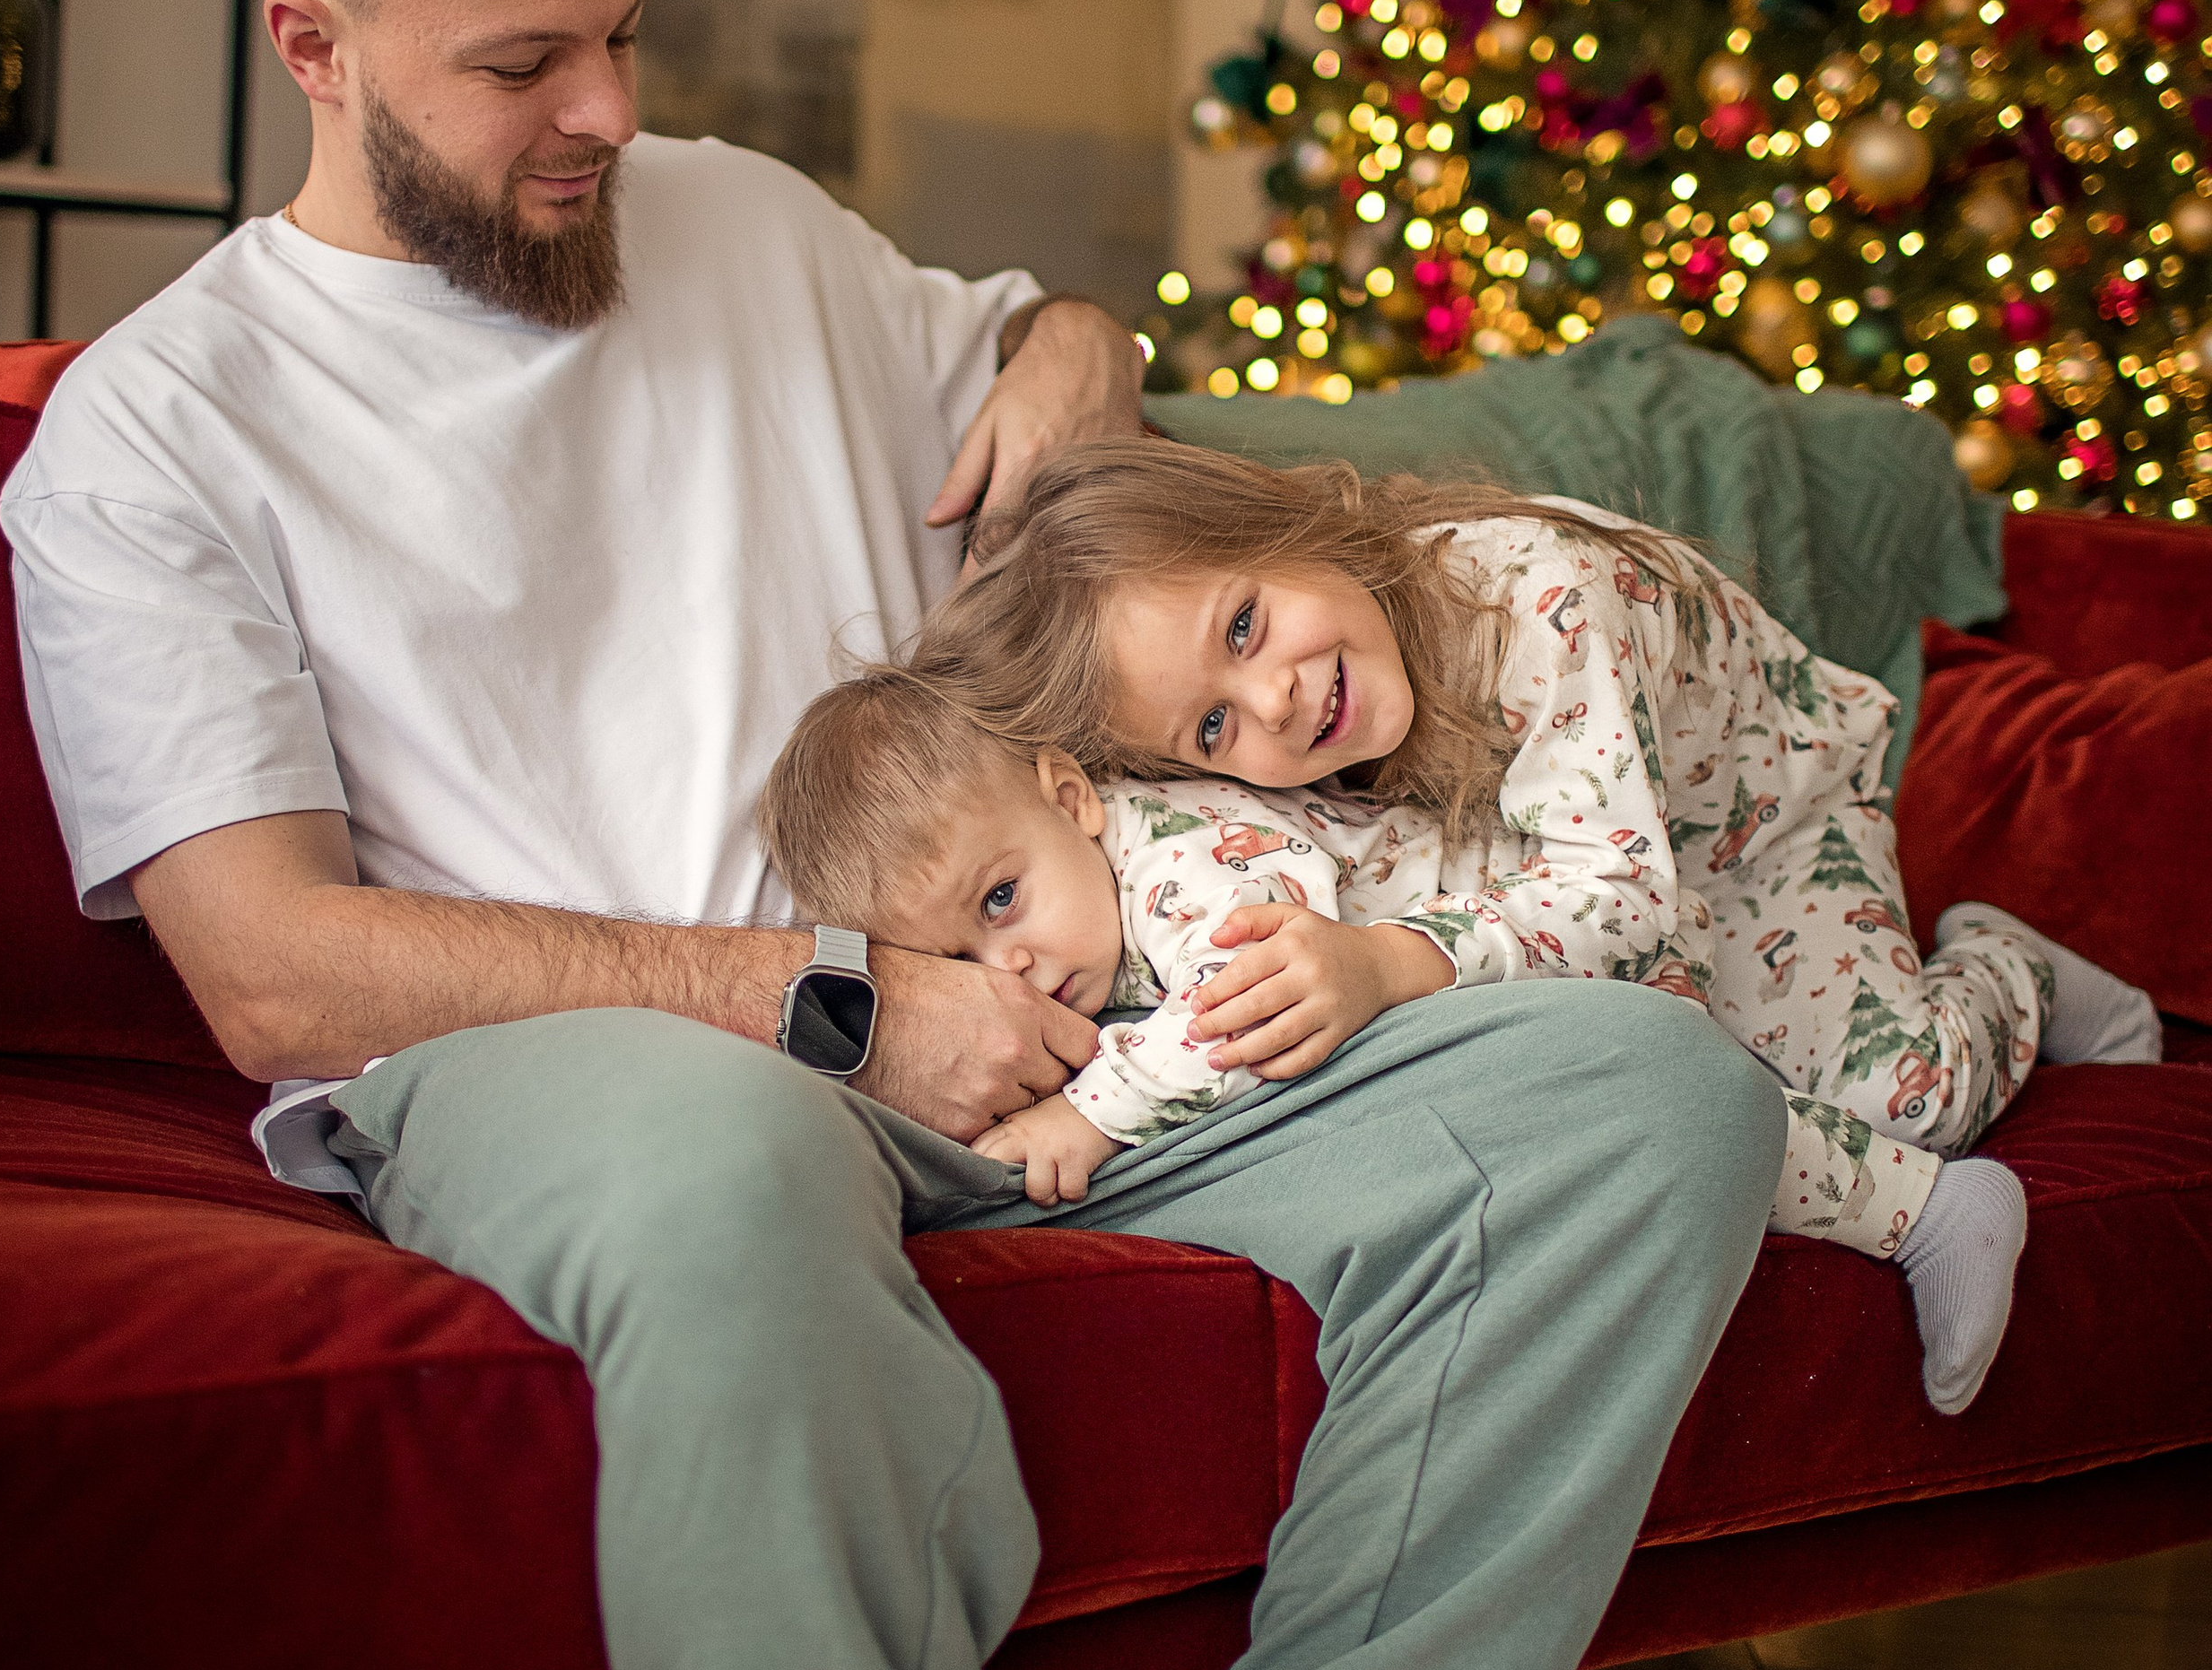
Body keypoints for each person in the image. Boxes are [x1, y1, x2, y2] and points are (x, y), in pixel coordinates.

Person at [0, 0, 1787, 1670]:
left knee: (1650, 1099)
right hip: (578, 1058)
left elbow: (1045, 343)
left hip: (1056, 999)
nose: (606, 112)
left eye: (624, 32)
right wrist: (826, 1000)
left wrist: (1077, 365)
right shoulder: (153, 434)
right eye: (519, 67)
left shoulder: (724, 218)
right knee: (727, 1183)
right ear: (313, 45)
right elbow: (269, 968)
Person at [905, 434, 2164, 1425]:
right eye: (1213, 729)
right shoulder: (1273, 751)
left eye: (1244, 627)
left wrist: (1395, 961)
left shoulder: (1539, 602)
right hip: (1567, 843)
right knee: (1627, 1071)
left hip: (1752, 828)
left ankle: (2007, 965)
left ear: (1281, 525)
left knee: (1909, 1093)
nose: (1274, 700)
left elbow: (1614, 903)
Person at [759, 651, 2042, 1404]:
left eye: (1001, 898)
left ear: (1070, 798)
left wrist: (1085, 1111)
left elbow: (1231, 1008)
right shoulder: (1079, 936)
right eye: (956, 957)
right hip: (1485, 1021)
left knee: (1682, 1094)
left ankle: (1929, 1201)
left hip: (1556, 941)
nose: (1012, 964)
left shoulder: (1178, 857)